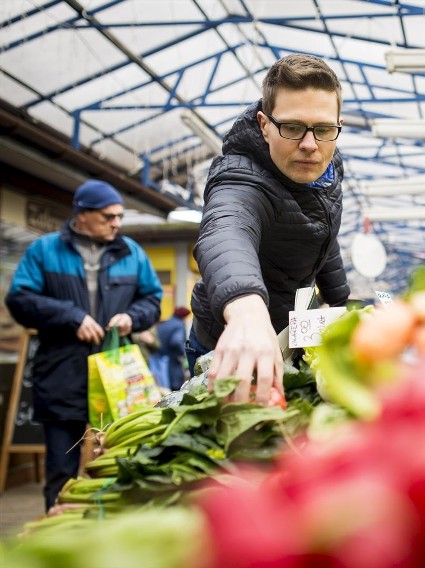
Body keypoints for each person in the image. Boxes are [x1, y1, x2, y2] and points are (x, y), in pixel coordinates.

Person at [187, 53, 350, 405]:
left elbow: (322, 231)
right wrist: (245, 311)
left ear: (337, 124)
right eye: (292, 127)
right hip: (232, 341)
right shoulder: (241, 177)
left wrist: (341, 300)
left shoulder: (327, 165)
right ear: (264, 125)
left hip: (289, 334)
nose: (309, 144)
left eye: (323, 129)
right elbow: (227, 230)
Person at [5, 179, 162, 512]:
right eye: (108, 217)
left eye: (119, 216)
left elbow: (152, 301)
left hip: (118, 378)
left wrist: (132, 318)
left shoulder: (132, 252)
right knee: (61, 469)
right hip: (62, 373)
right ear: (82, 214)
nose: (116, 223)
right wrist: (70, 316)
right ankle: (56, 534)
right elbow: (19, 299)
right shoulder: (44, 250)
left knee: (122, 460)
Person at [154, 306, 191, 390]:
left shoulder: (165, 323)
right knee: (175, 386)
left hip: (160, 357)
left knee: (163, 385)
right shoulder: (179, 325)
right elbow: (176, 341)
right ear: (183, 317)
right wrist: (184, 353)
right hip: (172, 359)